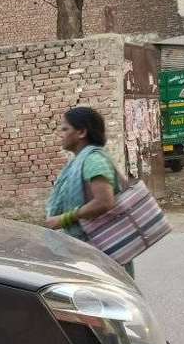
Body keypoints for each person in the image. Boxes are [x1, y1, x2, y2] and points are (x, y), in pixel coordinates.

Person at [45, 105, 130, 273]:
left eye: (65, 128)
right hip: (90, 248)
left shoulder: (93, 160)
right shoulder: (79, 161)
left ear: (81, 132)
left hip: (100, 249)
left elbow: (104, 202)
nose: (60, 133)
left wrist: (63, 219)